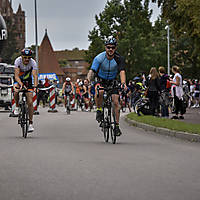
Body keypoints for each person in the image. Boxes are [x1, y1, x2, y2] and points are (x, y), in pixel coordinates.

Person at [87, 37, 126, 136]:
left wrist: (123, 83)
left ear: (115, 48)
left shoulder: (119, 58)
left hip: (112, 81)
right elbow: (92, 71)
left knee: (116, 101)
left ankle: (116, 126)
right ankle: (99, 110)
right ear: (105, 48)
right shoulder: (99, 58)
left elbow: (122, 71)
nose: (110, 49)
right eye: (108, 47)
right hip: (101, 79)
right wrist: (88, 80)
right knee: (99, 91)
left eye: (113, 47)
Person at [13, 48, 38, 132]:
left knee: (30, 102)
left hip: (28, 81)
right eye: (25, 57)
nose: (27, 59)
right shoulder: (17, 61)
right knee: (16, 91)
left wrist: (35, 86)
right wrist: (21, 84)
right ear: (21, 57)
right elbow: (16, 76)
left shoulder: (33, 62)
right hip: (19, 79)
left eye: (29, 58)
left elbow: (34, 76)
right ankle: (17, 107)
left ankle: (30, 123)